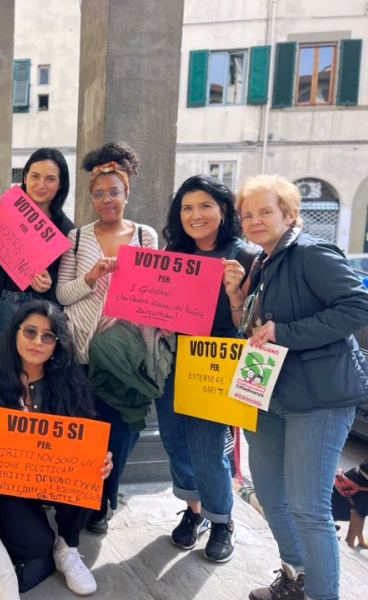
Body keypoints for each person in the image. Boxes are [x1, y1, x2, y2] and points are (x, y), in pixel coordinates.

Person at [233, 175, 368, 600]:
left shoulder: (311, 252)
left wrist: (285, 333)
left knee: (309, 507)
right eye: (247, 215)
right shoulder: (263, 260)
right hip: (271, 393)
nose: (255, 221)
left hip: (319, 399)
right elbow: (255, 326)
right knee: (271, 493)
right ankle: (297, 577)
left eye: (265, 211)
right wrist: (237, 299)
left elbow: (358, 306)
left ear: (290, 214)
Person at [0, 300, 113, 596]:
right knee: (35, 545)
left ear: (57, 345)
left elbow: (87, 435)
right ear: (15, 333)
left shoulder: (71, 382)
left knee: (90, 473)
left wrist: (101, 458)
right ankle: (35, 538)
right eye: (30, 332)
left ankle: (67, 547)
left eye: (48, 336)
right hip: (7, 481)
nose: (38, 341)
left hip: (56, 477)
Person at [155, 175, 259, 562]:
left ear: (224, 210)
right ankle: (194, 511)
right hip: (174, 357)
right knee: (174, 439)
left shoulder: (245, 256)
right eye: (187, 208)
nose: (195, 215)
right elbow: (160, 304)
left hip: (217, 361)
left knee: (208, 446)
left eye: (204, 206)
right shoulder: (174, 253)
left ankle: (221, 520)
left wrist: (235, 293)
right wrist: (161, 319)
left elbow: (249, 324)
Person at [56, 142, 159, 535]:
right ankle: (82, 496)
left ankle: (105, 500)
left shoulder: (146, 237)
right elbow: (62, 295)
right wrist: (92, 276)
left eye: (113, 192)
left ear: (126, 193)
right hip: (81, 351)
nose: (106, 200)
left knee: (122, 430)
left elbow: (157, 294)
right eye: (98, 194)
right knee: (86, 428)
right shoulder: (76, 238)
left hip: (126, 354)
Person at [0, 148, 74, 357]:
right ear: (25, 177)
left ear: (61, 184)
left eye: (50, 179)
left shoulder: (66, 230)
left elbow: (68, 283)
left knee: (28, 370)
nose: (41, 184)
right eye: (35, 176)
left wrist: (50, 282)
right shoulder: (2, 208)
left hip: (38, 309)